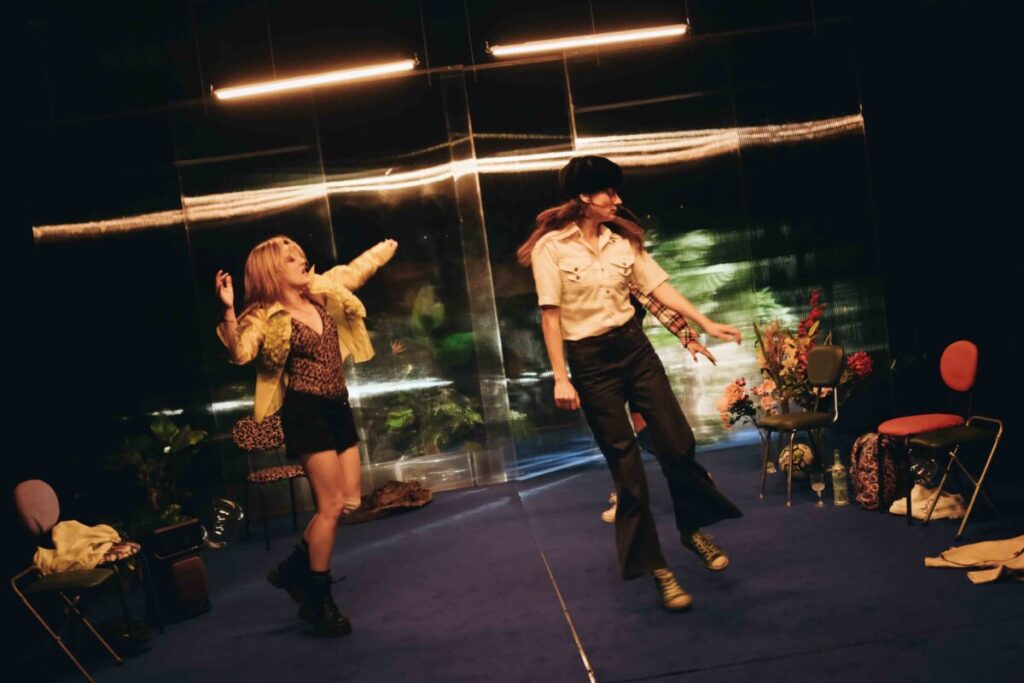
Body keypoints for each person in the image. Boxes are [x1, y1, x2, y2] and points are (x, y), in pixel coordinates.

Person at [518, 156, 743, 611]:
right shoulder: (551, 249)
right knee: (628, 471)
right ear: (585, 196)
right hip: (590, 361)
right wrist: (561, 377)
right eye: (609, 192)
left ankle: (690, 530)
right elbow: (550, 316)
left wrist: (704, 323)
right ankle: (657, 568)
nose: (617, 200)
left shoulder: (622, 242)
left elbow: (659, 288)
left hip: (634, 350)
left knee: (677, 442)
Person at [216, 235, 397, 636]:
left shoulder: (319, 291)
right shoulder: (265, 315)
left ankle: (295, 566)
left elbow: (354, 272)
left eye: (300, 254)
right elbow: (240, 352)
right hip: (306, 412)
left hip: (337, 407)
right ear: (271, 272)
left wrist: (383, 249)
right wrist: (228, 309)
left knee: (349, 502)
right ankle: (318, 598)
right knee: (329, 506)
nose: (302, 260)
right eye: (291, 258)